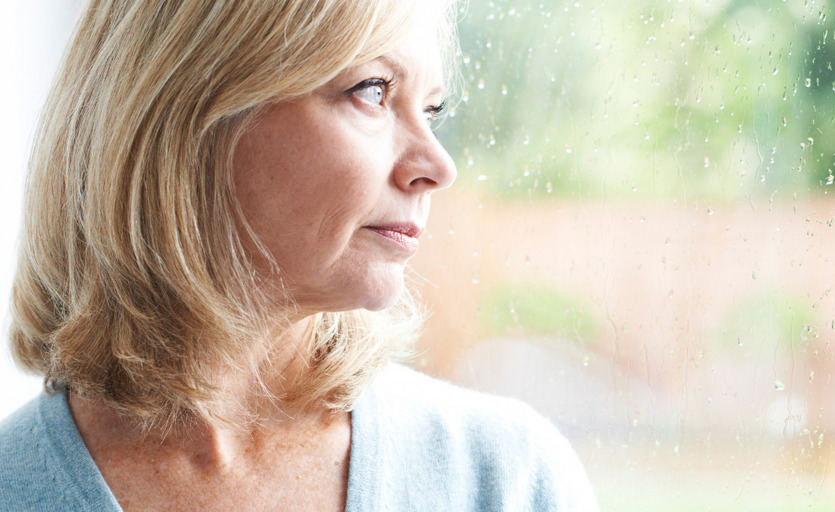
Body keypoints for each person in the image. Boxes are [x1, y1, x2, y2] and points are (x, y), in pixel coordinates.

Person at [0, 0, 598, 510]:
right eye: (373, 91)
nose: (440, 166)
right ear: (187, 116)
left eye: (433, 110)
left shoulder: (506, 479)